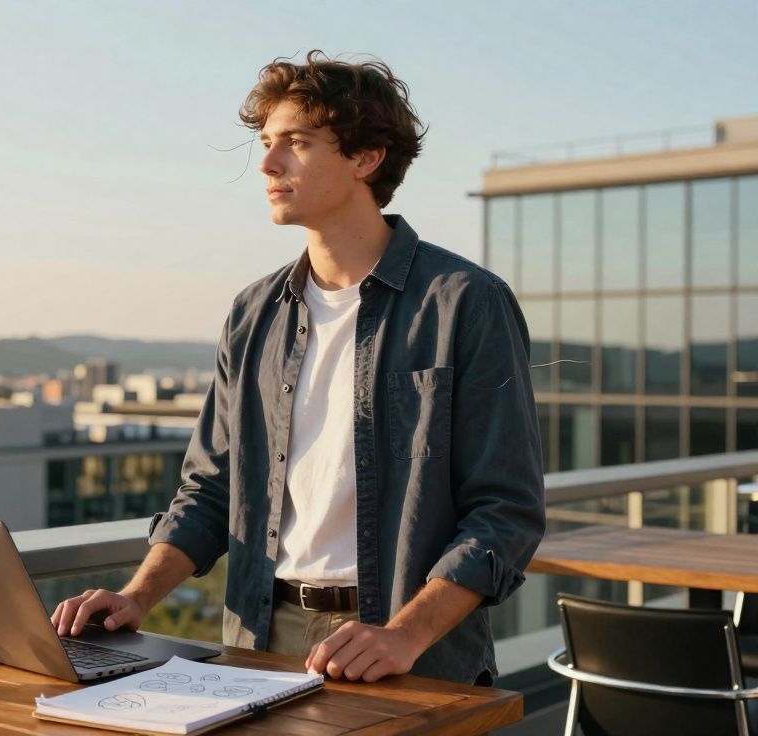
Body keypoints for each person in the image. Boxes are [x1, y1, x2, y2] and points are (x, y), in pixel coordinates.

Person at [51, 50, 545, 686]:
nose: (268, 163)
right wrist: (138, 596)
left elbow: (505, 511)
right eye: (266, 142)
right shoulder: (254, 312)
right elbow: (210, 488)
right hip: (259, 634)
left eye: (297, 142)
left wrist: (405, 635)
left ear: (366, 158)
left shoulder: (463, 303)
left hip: (406, 646)